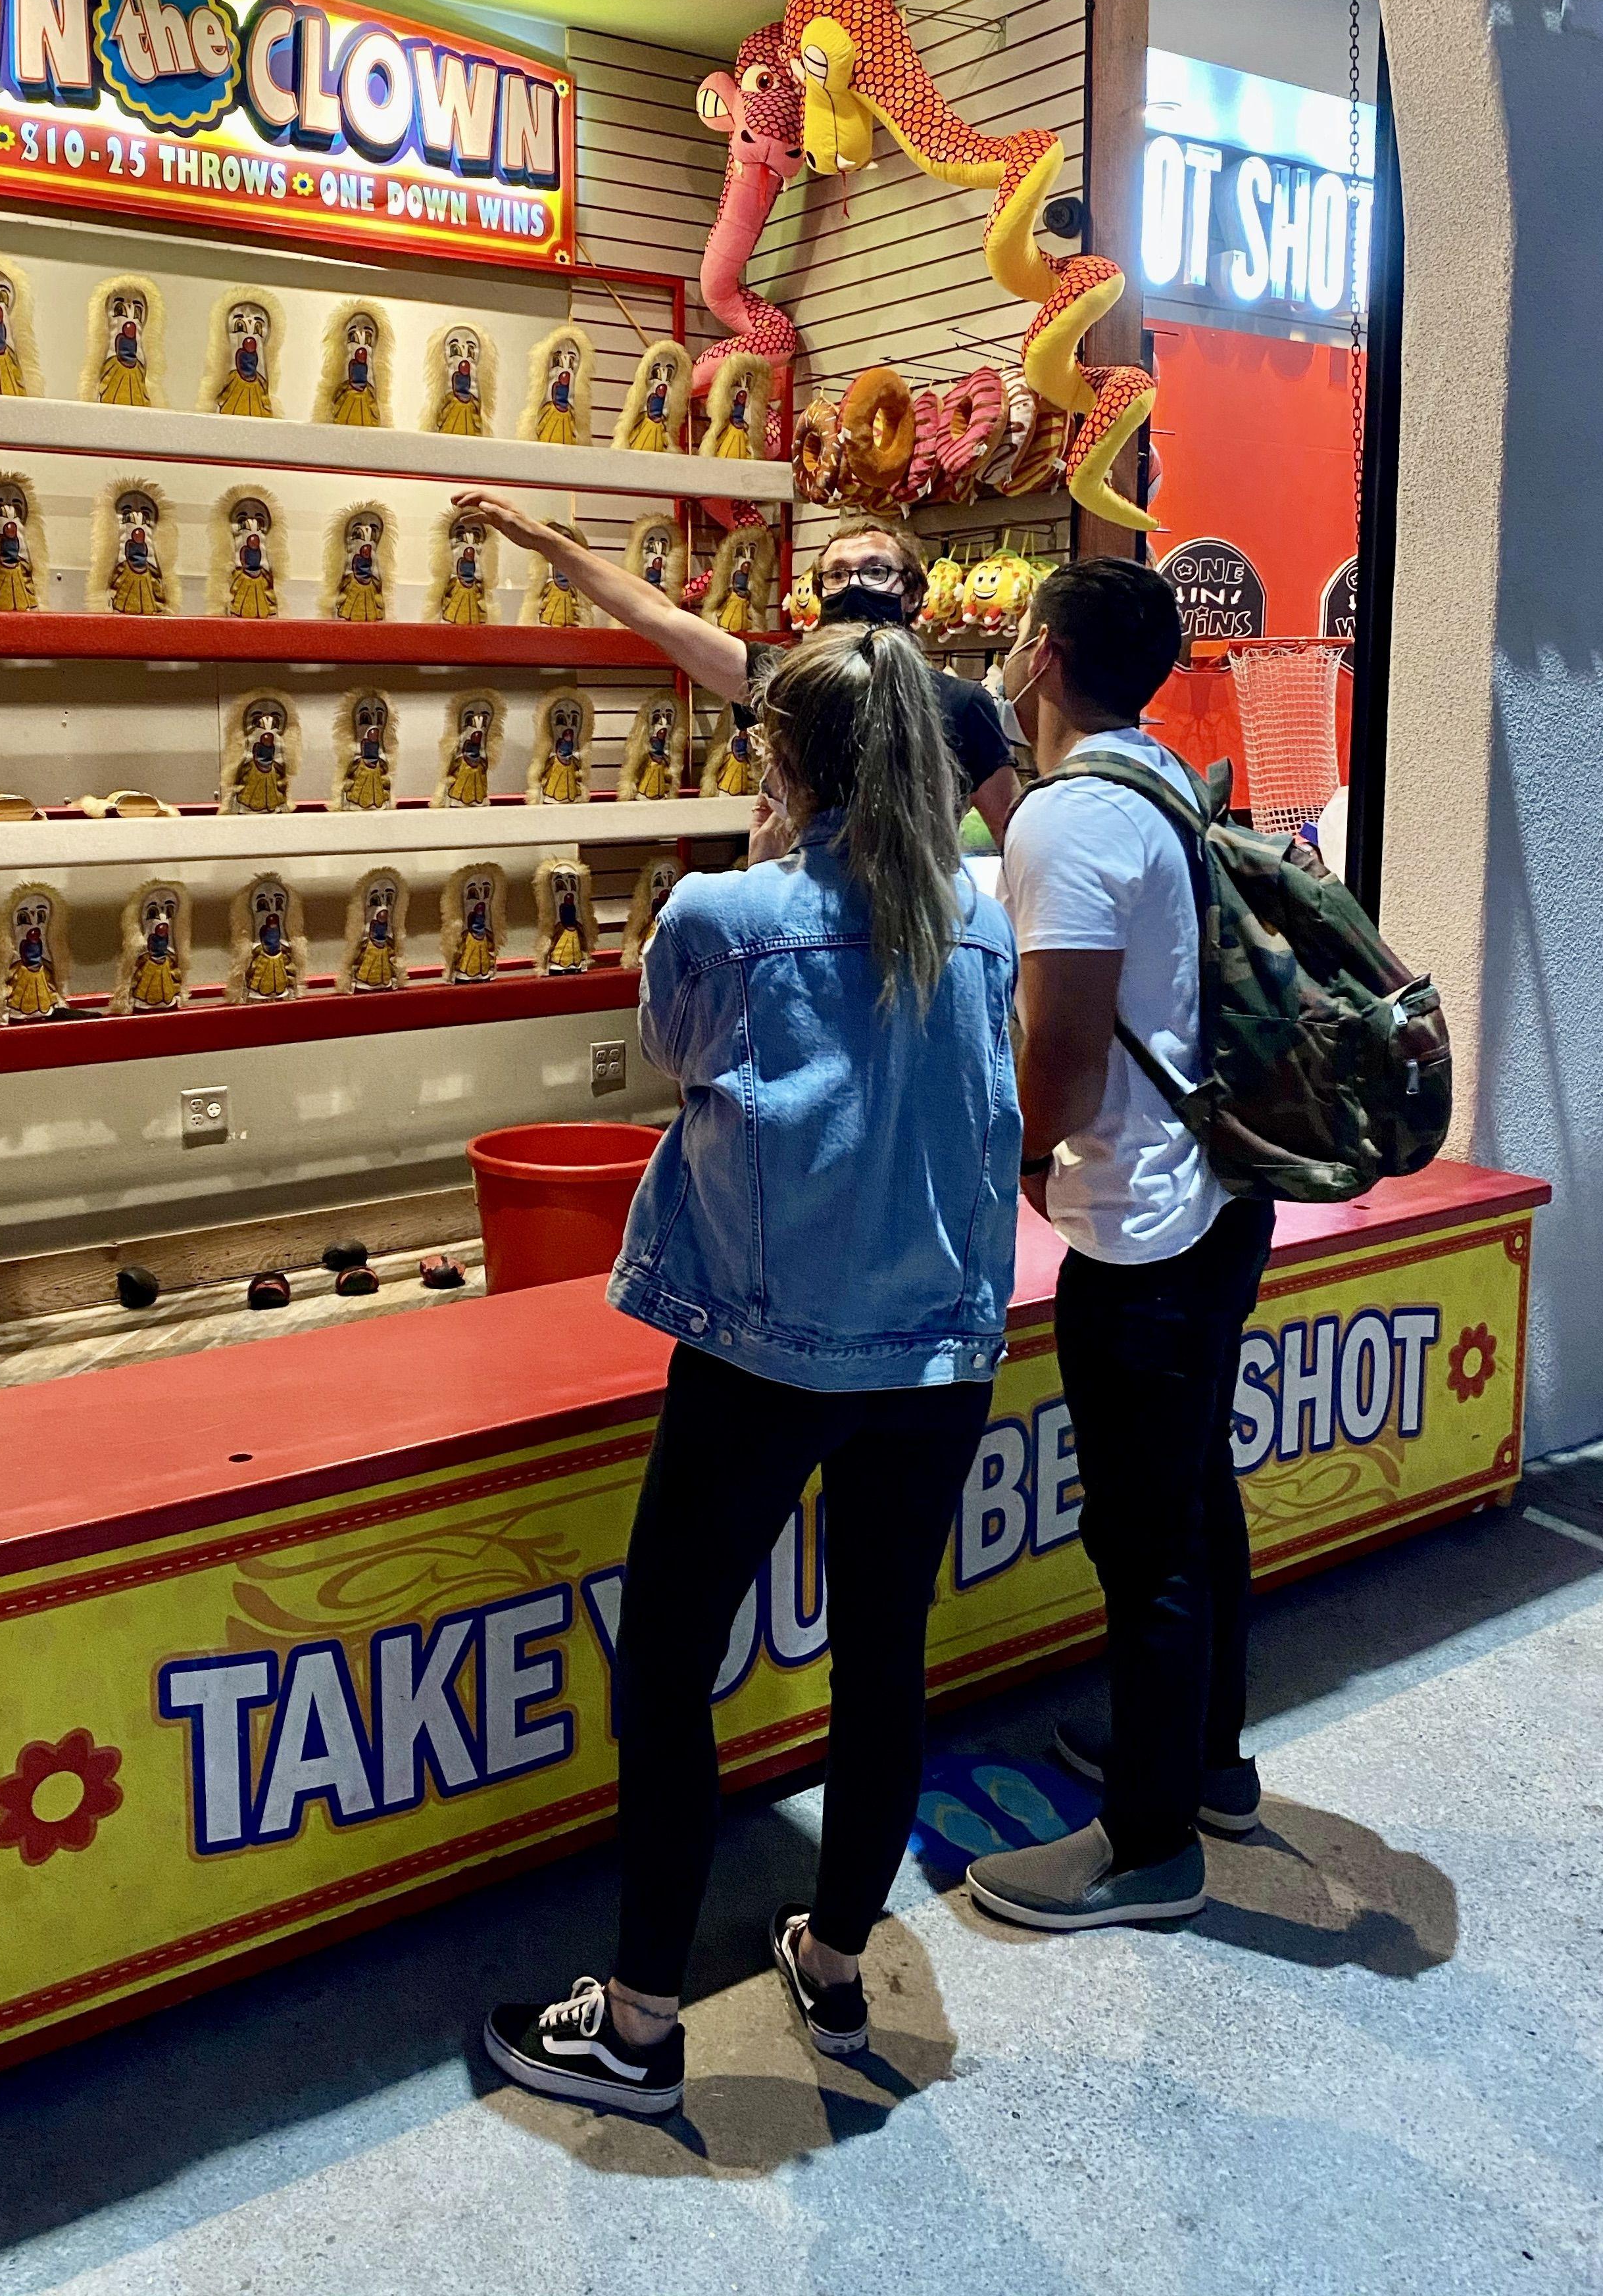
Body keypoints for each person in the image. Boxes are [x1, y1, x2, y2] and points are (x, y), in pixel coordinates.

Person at [484, 627, 1022, 2120]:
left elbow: (673, 1047)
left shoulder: (723, 913)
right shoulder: (978, 921)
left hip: (760, 1349)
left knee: (669, 1661)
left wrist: (761, 855)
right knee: (884, 1657)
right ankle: (836, 1962)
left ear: (781, 760)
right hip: (934, 1351)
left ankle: (642, 2022)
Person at [960, 558, 1279, 1933]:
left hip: (1143, 1231)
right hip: (1220, 1192)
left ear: (1041, 653)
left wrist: (1022, 1159)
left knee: (1145, 1545)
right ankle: (1202, 1762)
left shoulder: (1068, 818)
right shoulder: (1163, 782)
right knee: (1195, 1495)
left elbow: (1064, 1059)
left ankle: (1147, 1849)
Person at [452, 493, 1018, 843]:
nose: (853, 585)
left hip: (918, 931)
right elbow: (657, 615)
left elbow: (1009, 835)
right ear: (819, 590)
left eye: (875, 571)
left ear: (913, 593)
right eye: (837, 574)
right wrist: (549, 544)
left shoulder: (962, 706)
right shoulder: (785, 681)